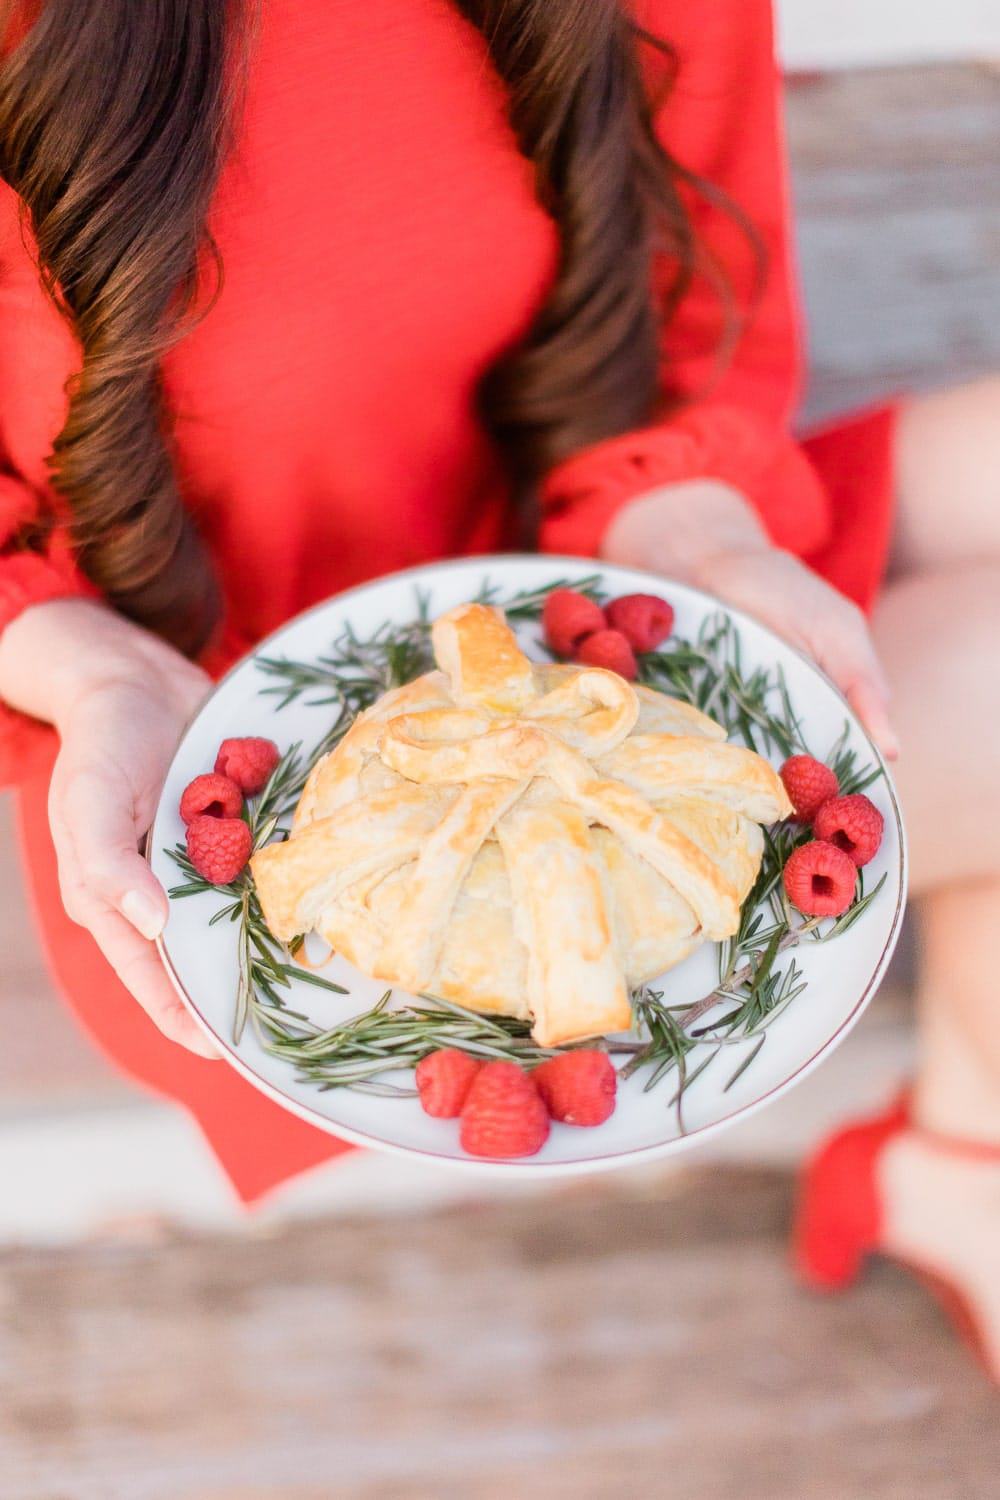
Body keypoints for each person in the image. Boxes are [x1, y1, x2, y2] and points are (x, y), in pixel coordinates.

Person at [0, 0, 996, 1376]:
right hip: (220, 755)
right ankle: (966, 1166)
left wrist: (689, 519)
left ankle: (962, 1161)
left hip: (597, 593)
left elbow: (684, 297)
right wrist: (64, 652)